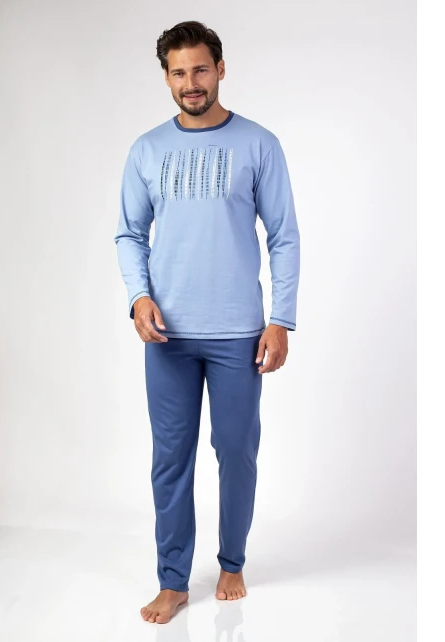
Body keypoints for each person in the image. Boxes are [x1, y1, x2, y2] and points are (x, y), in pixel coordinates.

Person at [114, 20, 301, 625]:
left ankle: (232, 562)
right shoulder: (147, 150)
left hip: (239, 334)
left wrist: (281, 319)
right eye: (178, 72)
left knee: (237, 451)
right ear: (166, 77)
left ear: (220, 69)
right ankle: (172, 581)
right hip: (166, 334)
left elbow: (284, 236)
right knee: (171, 458)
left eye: (199, 69)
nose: (190, 82)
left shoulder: (259, 144)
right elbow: (129, 233)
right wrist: (139, 297)